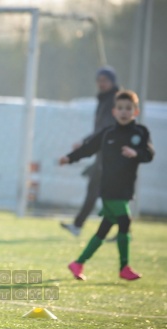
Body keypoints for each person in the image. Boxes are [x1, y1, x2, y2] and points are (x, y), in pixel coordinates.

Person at [59, 90, 154, 281]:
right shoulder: (108, 133)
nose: (124, 112)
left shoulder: (141, 133)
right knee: (125, 221)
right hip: (110, 189)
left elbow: (149, 154)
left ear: (135, 111)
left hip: (126, 189)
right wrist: (69, 158)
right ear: (114, 111)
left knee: (104, 229)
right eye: (120, 108)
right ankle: (124, 267)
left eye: (128, 108)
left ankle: (78, 263)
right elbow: (88, 148)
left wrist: (136, 153)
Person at [61, 66, 120, 237]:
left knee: (108, 192)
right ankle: (78, 225)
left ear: (112, 82)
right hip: (103, 151)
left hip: (110, 152)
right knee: (96, 189)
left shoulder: (113, 100)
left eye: (105, 80)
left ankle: (124, 228)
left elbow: (106, 129)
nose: (101, 84)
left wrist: (85, 142)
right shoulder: (104, 99)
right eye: (99, 80)